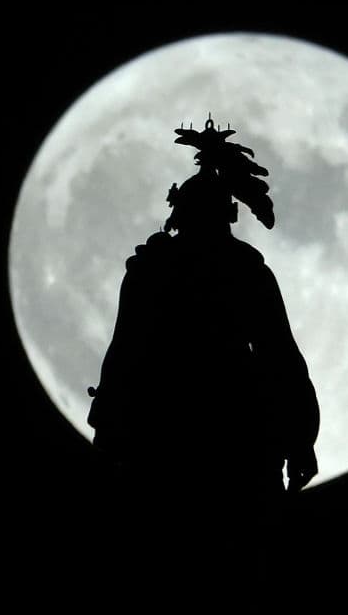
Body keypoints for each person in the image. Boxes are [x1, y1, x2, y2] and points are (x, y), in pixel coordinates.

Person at [86, 116, 319, 527]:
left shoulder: (156, 267)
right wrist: (300, 439)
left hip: (188, 430)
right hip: (208, 430)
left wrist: (108, 430)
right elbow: (281, 357)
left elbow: (124, 352)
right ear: (228, 213)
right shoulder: (235, 268)